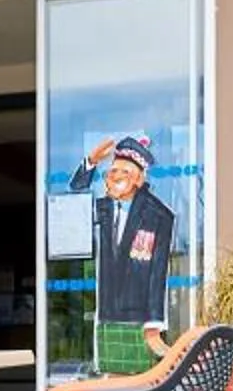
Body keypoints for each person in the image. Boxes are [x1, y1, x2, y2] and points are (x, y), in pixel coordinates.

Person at [67, 135, 178, 373]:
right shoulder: (103, 208)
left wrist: (154, 324)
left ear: (138, 179)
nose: (115, 177)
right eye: (112, 171)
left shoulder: (158, 215)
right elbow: (74, 201)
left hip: (139, 318)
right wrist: (91, 162)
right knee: (111, 378)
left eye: (124, 172)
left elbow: (158, 273)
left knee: (141, 382)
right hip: (107, 315)